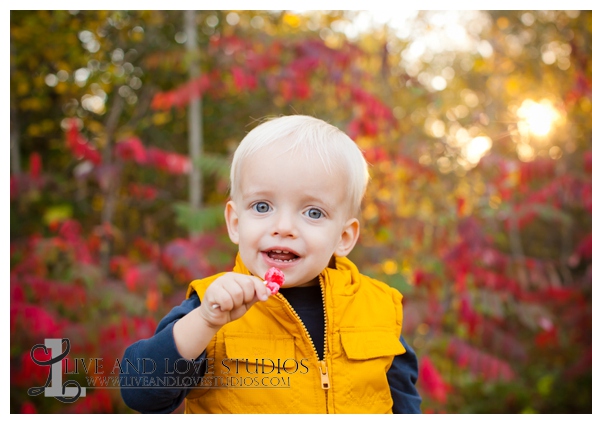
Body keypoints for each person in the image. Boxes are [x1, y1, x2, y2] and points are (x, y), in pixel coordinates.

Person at [120, 115, 421, 413]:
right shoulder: (212, 305)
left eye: (313, 213)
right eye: (262, 207)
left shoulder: (377, 308)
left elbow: (404, 406)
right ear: (236, 222)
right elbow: (141, 393)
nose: (284, 226)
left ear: (343, 237)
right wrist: (206, 321)